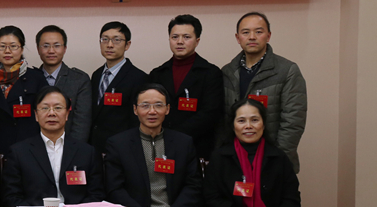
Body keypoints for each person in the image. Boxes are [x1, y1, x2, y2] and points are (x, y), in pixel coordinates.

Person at [104, 84, 210, 207]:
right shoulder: (118, 144)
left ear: (167, 109)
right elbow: (115, 189)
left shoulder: (183, 143)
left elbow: (193, 185)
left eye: (158, 105)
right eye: (145, 105)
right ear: (135, 110)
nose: (152, 111)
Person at [222, 12, 307, 172]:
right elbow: (223, 121)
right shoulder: (227, 72)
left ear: (268, 36)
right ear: (238, 38)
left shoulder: (287, 71)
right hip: (234, 159)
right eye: (246, 32)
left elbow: (293, 121)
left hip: (272, 160)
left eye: (258, 32)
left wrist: (276, 159)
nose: (252, 37)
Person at [2, 86, 103, 207]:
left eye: (58, 108)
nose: (51, 113)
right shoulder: (19, 152)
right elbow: (11, 197)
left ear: (67, 114)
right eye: (45, 108)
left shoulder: (86, 152)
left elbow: (96, 194)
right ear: (36, 115)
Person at [148, 15, 223, 160]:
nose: (180, 42)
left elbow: (210, 113)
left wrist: (176, 136)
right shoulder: (157, 74)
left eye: (186, 37)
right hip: (160, 145)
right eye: (175, 37)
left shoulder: (211, 73)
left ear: (197, 41)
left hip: (197, 147)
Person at [0, 25, 46, 156]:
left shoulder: (36, 78)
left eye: (13, 46)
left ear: (22, 48)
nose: (7, 51)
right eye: (2, 46)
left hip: (29, 150)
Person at [90, 21, 147, 155]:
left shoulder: (139, 78)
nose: (109, 45)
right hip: (94, 146)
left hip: (121, 148)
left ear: (127, 45)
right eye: (105, 39)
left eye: (116, 40)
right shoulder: (96, 75)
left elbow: (137, 120)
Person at [34, 25, 92, 144]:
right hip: (35, 147)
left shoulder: (79, 80)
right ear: (38, 49)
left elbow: (81, 123)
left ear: (64, 48)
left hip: (71, 147)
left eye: (57, 46)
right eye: (46, 46)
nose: (51, 51)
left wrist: (71, 150)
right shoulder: (30, 79)